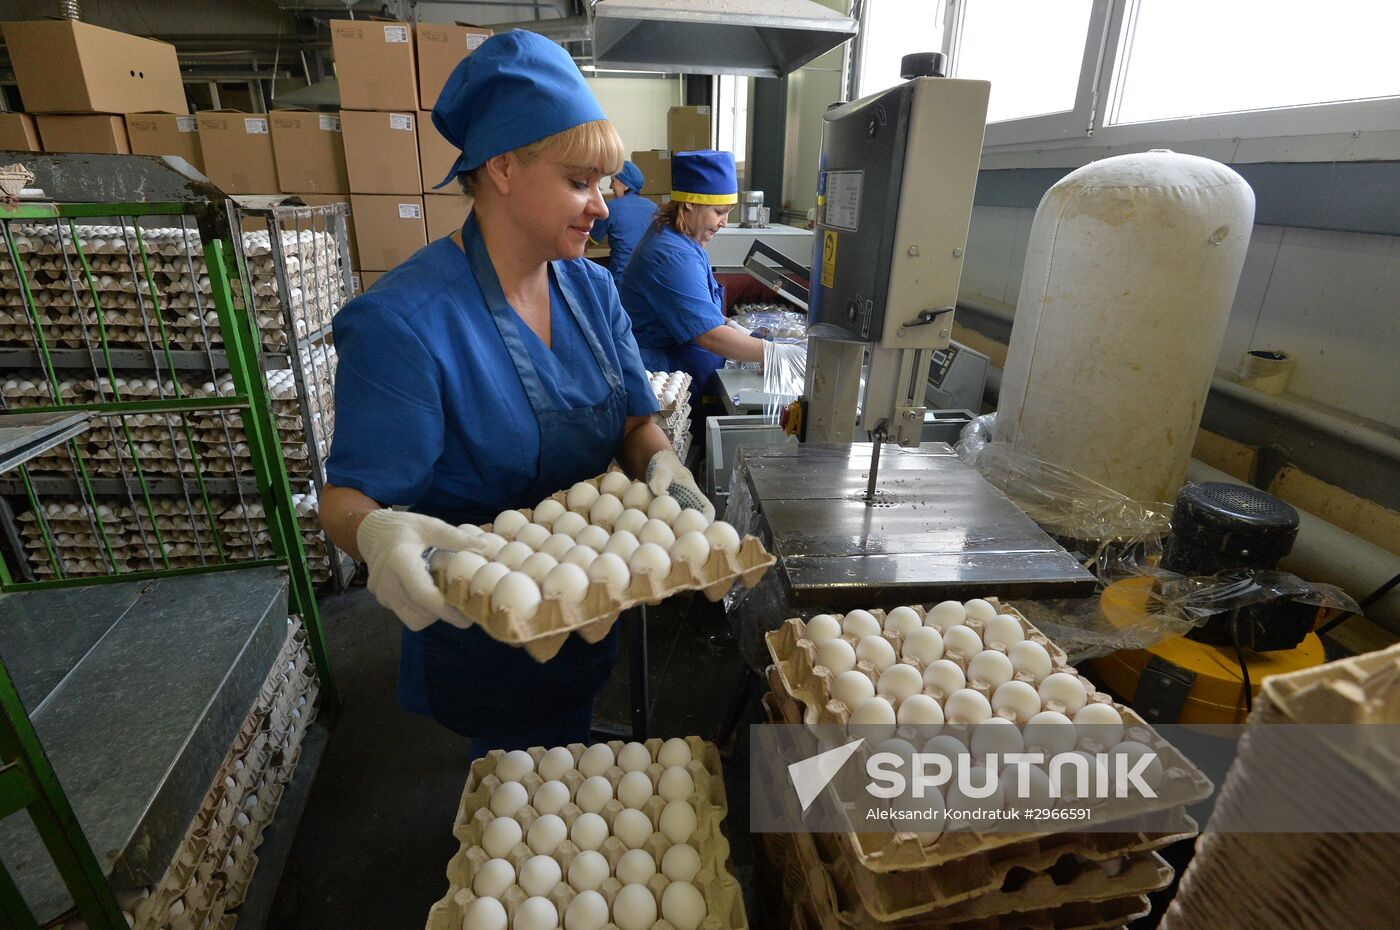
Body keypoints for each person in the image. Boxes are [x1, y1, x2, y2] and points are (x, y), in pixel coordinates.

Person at [319, 31, 713, 756]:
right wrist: (374, 535)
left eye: (603, 184)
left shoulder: (592, 290)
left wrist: (661, 460)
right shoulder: (406, 322)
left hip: (592, 597)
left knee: (570, 771)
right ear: (501, 167)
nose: (600, 206)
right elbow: (346, 498)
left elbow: (633, 415)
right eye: (579, 181)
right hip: (487, 622)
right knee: (513, 795)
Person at [618, 150, 765, 404]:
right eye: (719, 212)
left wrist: (739, 330)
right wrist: (772, 354)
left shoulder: (683, 241)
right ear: (689, 204)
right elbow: (709, 334)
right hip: (665, 376)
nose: (725, 222)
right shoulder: (672, 255)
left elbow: (700, 309)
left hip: (686, 367)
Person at [588, 159, 657, 281]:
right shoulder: (653, 207)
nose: (610, 186)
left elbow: (588, 242)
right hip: (650, 277)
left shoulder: (612, 207)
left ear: (626, 185)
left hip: (622, 279)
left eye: (613, 181)